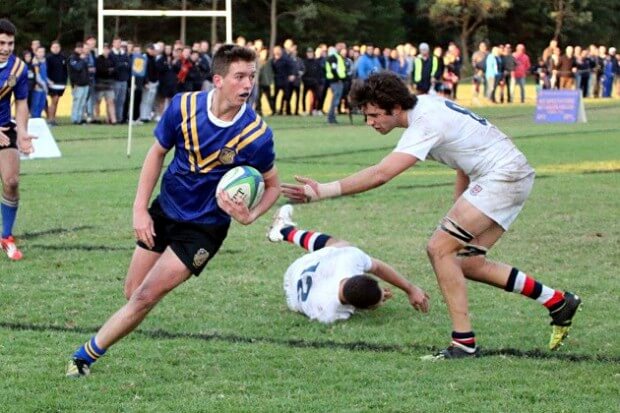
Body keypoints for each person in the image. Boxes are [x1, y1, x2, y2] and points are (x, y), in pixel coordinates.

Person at [282, 71, 581, 359]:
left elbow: (382, 173)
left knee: (438, 248)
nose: (369, 122)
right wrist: (460, 205)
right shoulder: (427, 103)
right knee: (469, 262)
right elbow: (464, 157)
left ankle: (463, 343)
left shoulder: (424, 122)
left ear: (396, 108)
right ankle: (557, 301)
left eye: (374, 115)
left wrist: (323, 190)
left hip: (502, 177)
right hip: (511, 174)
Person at [66, 45, 281, 377]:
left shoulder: (256, 135)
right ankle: (120, 324)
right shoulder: (183, 107)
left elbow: (273, 185)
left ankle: (83, 357)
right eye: (239, 77)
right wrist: (140, 209)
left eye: (251, 77)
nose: (247, 84)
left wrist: (251, 215)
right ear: (218, 79)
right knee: (132, 292)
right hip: (164, 211)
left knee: (145, 297)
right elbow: (156, 153)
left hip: (204, 229)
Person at [267, 205, 429, 323]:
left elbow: (375, 270)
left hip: (297, 270)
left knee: (340, 246)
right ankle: (283, 231)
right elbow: (355, 297)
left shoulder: (350, 260)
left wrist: (406, 289)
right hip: (293, 300)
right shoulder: (334, 314)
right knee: (341, 247)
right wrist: (374, 300)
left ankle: (284, 231)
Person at [0, 19, 36, 260]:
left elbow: (21, 103)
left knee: (11, 181)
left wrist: (22, 131)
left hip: (6, 129)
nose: (5, 48)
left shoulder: (19, 69)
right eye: (1, 43)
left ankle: (6, 236)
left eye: (10, 43)